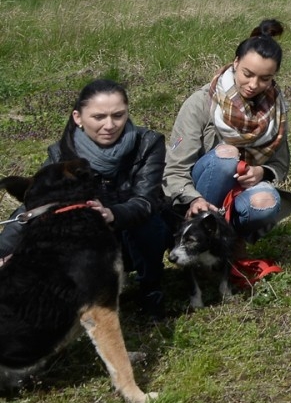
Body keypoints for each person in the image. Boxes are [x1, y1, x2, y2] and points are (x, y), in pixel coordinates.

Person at [0, 80, 168, 317]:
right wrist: (4, 252)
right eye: (98, 117)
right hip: (88, 241)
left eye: (118, 115)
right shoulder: (60, 154)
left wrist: (112, 214)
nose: (109, 125)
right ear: (78, 117)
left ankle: (151, 287)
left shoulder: (148, 143)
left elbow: (146, 201)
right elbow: (36, 206)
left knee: (148, 223)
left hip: (132, 233)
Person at [164, 20, 290, 244]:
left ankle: (232, 242)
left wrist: (262, 172)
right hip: (198, 192)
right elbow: (175, 169)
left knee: (266, 203)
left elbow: (280, 164)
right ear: (235, 63)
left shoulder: (276, 108)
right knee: (227, 155)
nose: (253, 84)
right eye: (247, 74)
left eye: (265, 79)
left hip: (241, 190)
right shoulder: (201, 103)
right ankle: (195, 236)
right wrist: (193, 199)